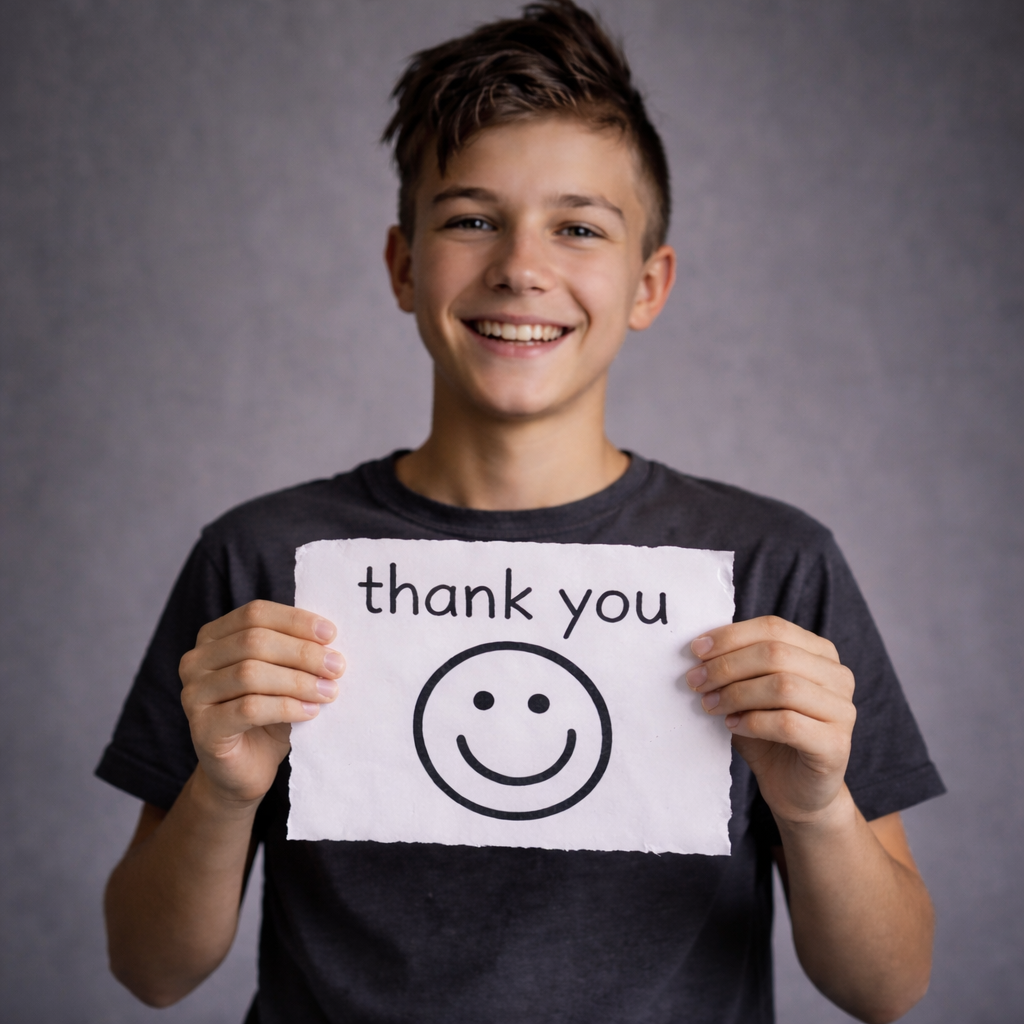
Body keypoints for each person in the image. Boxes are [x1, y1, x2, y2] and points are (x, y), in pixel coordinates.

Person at [97, 3, 944, 1022]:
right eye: (469, 219)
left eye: (578, 227)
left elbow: (887, 986)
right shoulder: (262, 556)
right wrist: (223, 794)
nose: (521, 268)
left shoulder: (773, 565)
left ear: (648, 281)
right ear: (404, 264)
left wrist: (813, 807)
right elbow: (151, 968)